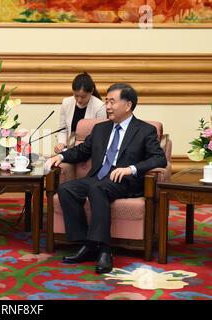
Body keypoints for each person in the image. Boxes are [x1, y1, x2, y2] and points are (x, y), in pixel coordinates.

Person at [45, 83, 167, 274]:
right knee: (67, 189)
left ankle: (104, 249)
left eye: (112, 102)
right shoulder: (101, 128)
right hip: (99, 177)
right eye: (106, 101)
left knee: (97, 189)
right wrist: (61, 156)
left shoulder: (144, 130)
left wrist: (131, 169)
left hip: (125, 182)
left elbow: (159, 158)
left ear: (128, 105)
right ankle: (87, 244)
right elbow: (82, 151)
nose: (107, 106)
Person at [55, 72, 106, 153]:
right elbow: (63, 129)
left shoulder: (100, 107)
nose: (79, 100)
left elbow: (100, 136)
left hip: (89, 151)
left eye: (83, 97)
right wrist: (61, 143)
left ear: (91, 91)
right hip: (69, 149)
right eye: (76, 95)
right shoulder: (66, 102)